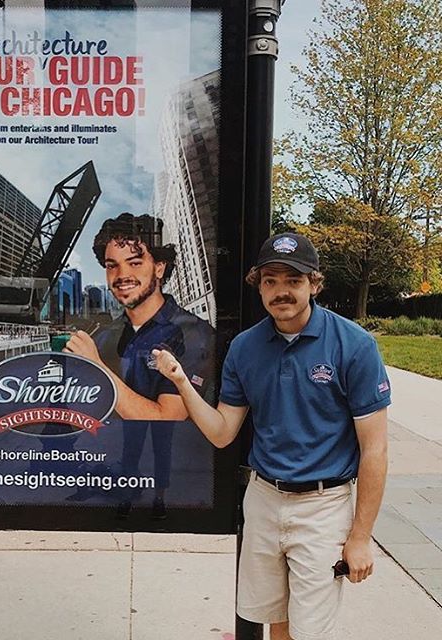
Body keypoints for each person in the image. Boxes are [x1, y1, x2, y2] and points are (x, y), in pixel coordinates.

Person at [152, 232, 390, 640]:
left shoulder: (354, 346)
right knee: (275, 620)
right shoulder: (245, 348)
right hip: (264, 500)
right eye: (270, 280)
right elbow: (224, 432)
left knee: (309, 631)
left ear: (314, 284)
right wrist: (180, 381)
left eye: (293, 280)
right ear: (258, 285)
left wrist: (361, 537)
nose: (281, 291)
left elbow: (376, 449)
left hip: (323, 506)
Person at [64, 212, 215, 517]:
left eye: (135, 262)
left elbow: (168, 416)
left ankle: (160, 500)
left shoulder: (192, 332)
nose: (121, 275)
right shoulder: (107, 335)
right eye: (111, 265)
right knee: (129, 451)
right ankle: (125, 496)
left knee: (162, 451)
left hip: (166, 433)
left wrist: (96, 366)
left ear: (159, 267)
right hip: (123, 433)